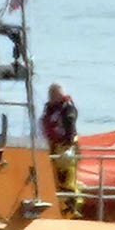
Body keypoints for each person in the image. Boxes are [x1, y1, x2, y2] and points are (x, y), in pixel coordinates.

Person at [40, 82, 81, 218]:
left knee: (66, 179)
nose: (50, 97)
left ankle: (70, 210)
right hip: (52, 146)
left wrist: (68, 142)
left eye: (53, 94)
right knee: (55, 178)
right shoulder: (49, 109)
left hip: (65, 147)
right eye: (50, 94)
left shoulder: (67, 108)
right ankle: (59, 205)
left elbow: (70, 123)